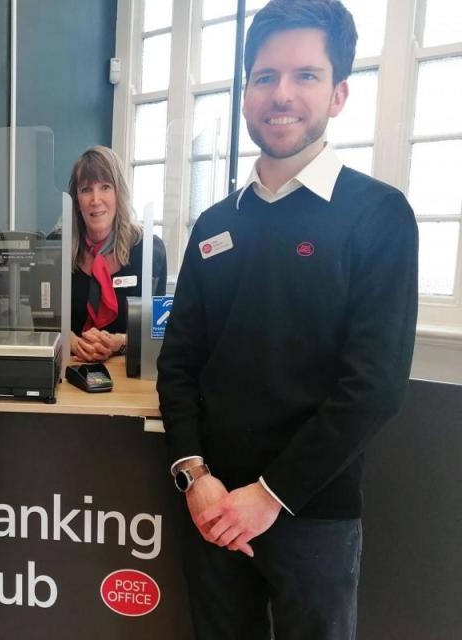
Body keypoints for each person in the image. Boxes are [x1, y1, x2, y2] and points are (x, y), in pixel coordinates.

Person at [156, 1, 418, 638]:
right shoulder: (216, 225)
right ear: (246, 92)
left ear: (338, 94)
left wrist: (268, 496)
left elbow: (373, 386)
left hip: (313, 516)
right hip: (213, 511)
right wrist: (197, 478)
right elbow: (180, 362)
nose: (282, 94)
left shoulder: (378, 216)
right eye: (265, 76)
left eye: (306, 76)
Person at [68, 145, 167, 362]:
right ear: (76, 200)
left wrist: (119, 342)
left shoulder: (149, 249)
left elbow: (158, 332)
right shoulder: (58, 248)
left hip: (128, 376)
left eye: (105, 187)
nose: (95, 199)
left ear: (119, 192)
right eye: (86, 190)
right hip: (69, 372)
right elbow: (40, 326)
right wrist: (72, 342)